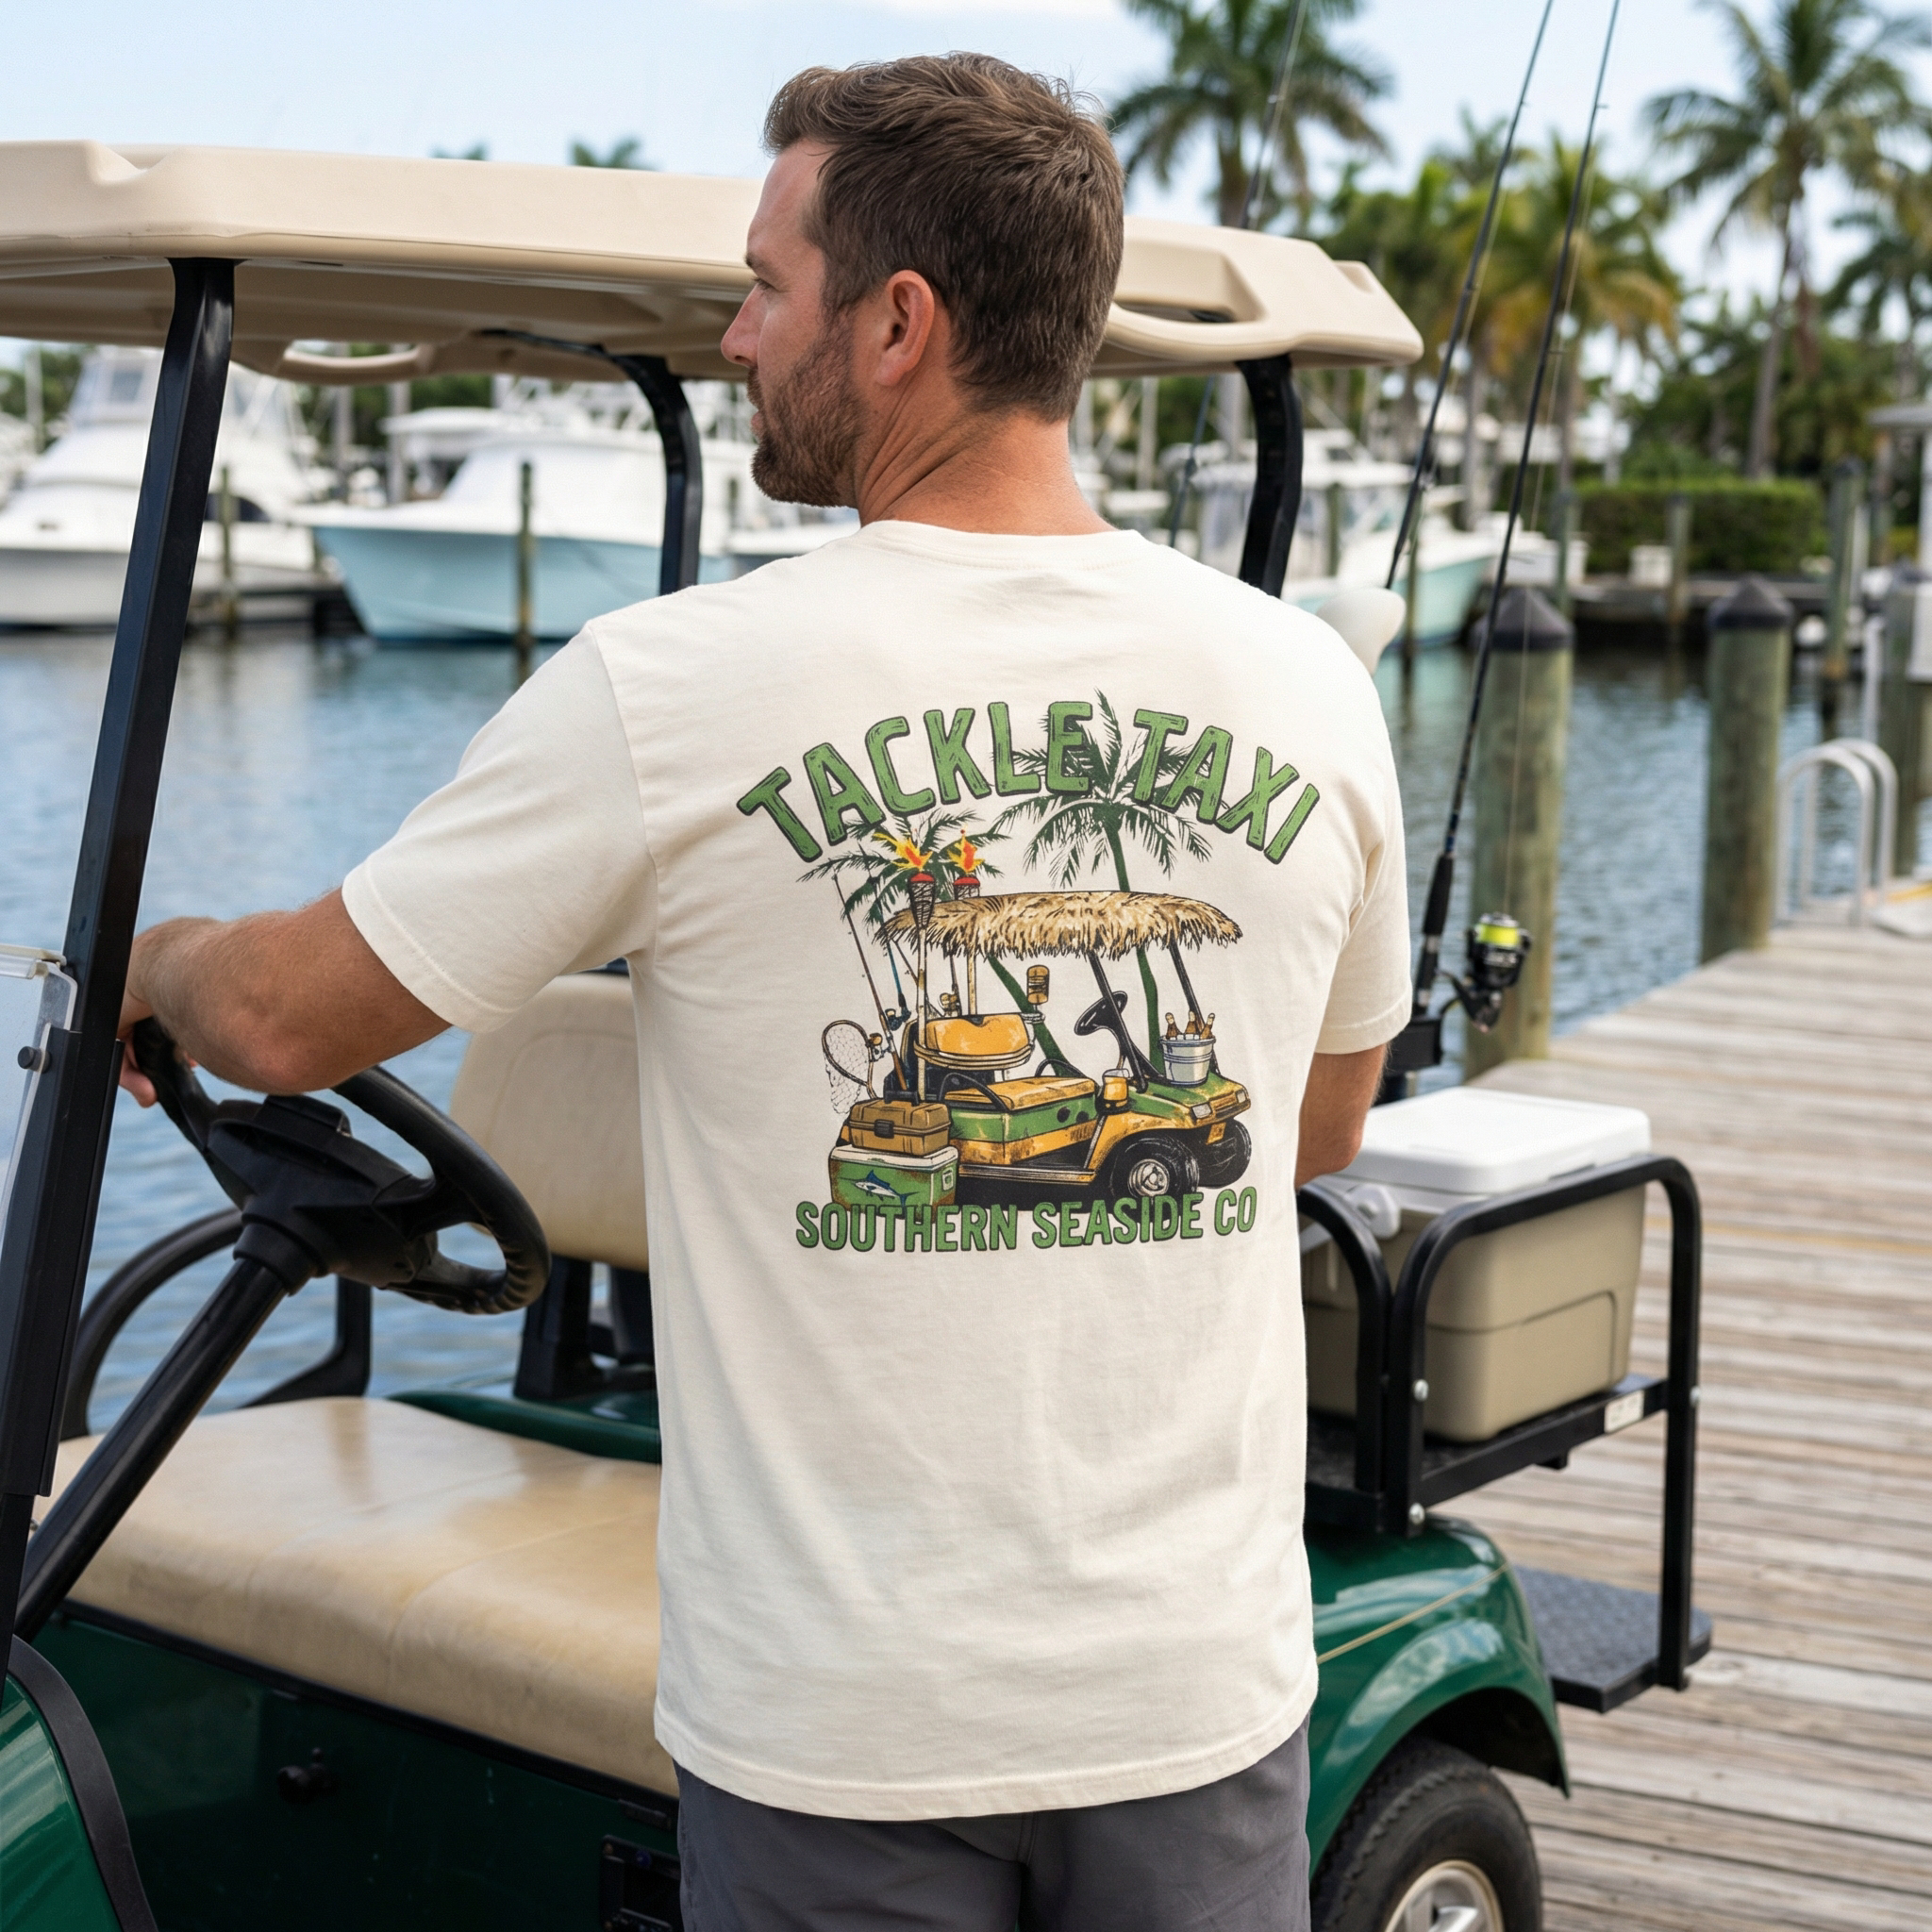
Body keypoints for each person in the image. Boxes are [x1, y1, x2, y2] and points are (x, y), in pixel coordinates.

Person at [118, 54, 1408, 1932]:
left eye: (763, 285)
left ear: (899, 323)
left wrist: (158, 962)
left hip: (842, 1738)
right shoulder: (1308, 685)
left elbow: (282, 1023)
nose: (733, 337)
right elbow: (1313, 1120)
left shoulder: (674, 687)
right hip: (1196, 1703)